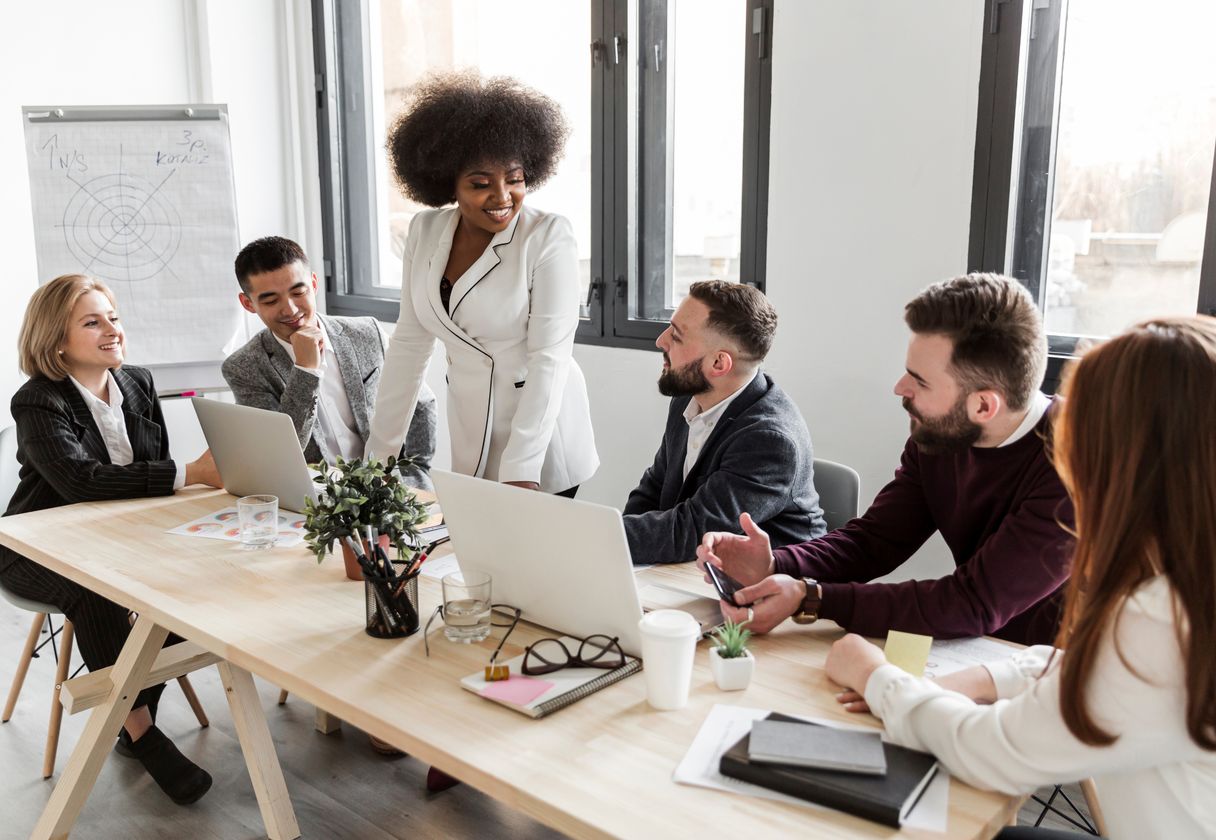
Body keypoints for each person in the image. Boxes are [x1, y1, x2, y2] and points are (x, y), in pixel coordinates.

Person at [826, 316, 1216, 840]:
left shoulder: (1163, 620)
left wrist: (876, 675)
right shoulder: (1185, 580)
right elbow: (1094, 664)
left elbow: (989, 751)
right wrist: (989, 678)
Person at [699, 273, 1073, 645]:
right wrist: (776, 564)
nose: (899, 388)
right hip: (979, 649)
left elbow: (971, 602)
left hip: (1063, 671)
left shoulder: (1078, 464)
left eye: (920, 381)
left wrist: (812, 598)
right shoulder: (942, 433)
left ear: (983, 405)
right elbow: (874, 541)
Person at [0, 274, 221, 804]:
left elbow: (144, 475)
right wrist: (187, 473)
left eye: (114, 317)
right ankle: (141, 732)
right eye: (93, 321)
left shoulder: (139, 382)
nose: (112, 330)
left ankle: (129, 703)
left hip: (118, 537)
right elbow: (80, 481)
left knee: (189, 574)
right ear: (56, 338)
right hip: (33, 542)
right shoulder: (37, 400)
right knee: (97, 590)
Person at [366, 71, 598, 497]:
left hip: (540, 432)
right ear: (447, 181)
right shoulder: (425, 230)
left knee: (528, 557)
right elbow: (410, 345)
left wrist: (522, 469)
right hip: (472, 421)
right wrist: (378, 459)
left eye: (515, 178)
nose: (503, 196)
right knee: (476, 556)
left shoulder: (548, 236)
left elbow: (550, 358)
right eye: (480, 183)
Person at [624, 280, 825, 565]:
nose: (661, 340)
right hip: (697, 570)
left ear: (719, 364)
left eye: (677, 336)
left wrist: (600, 538)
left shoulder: (770, 440)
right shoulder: (688, 398)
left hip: (774, 589)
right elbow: (653, 489)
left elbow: (692, 529)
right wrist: (614, 548)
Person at [223, 236, 437, 488]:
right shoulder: (244, 367)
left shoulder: (367, 333)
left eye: (298, 292)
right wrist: (306, 370)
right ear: (248, 303)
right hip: (315, 502)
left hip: (386, 489)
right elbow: (279, 452)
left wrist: (416, 474)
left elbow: (420, 403)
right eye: (271, 300)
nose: (290, 309)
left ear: (313, 284)